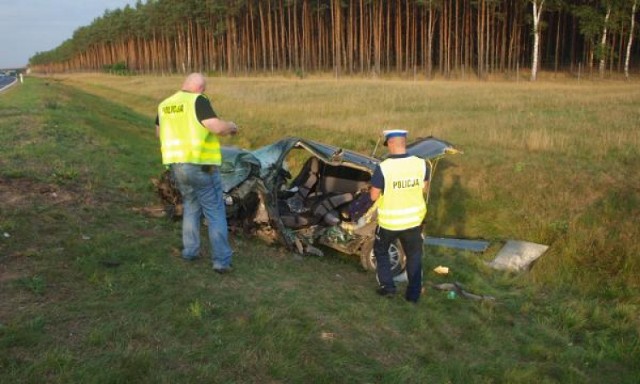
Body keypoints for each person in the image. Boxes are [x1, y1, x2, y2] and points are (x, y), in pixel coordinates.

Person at [156, 73, 238, 273]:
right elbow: (216, 127)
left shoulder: (165, 104)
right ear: (201, 88)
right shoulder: (198, 100)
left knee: (191, 205)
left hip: (177, 165)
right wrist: (232, 127)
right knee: (215, 209)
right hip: (201, 164)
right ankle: (221, 261)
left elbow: (159, 133)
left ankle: (190, 251)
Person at [369, 129, 430, 303]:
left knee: (381, 252)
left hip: (390, 223)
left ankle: (388, 288)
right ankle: (413, 295)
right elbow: (424, 188)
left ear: (390, 144)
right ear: (404, 142)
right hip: (413, 221)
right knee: (414, 256)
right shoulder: (420, 164)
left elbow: (373, 196)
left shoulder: (384, 167)